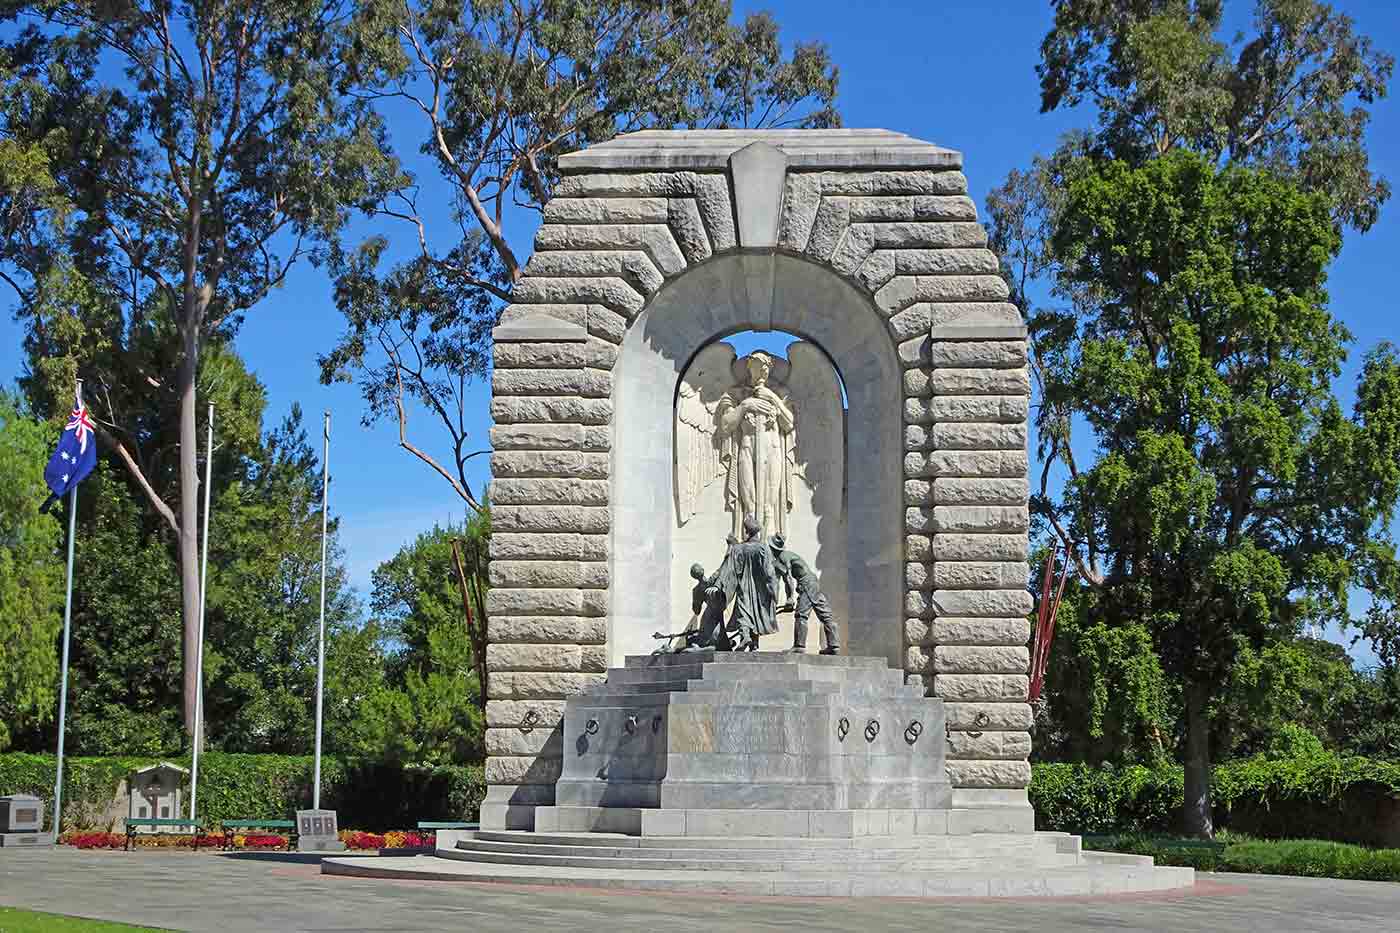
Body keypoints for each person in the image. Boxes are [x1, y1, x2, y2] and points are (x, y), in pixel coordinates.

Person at [769, 533, 839, 655]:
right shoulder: (785, 556)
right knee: (824, 613)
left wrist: (791, 598)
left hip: (806, 583)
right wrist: (789, 597)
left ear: (773, 549)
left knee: (801, 614)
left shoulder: (783, 557)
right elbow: (786, 582)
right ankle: (834, 645)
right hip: (813, 582)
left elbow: (789, 578)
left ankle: (799, 646)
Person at [722, 515, 780, 651]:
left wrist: (732, 545)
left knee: (744, 611)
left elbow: (732, 568)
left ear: (746, 531)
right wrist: (773, 590)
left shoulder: (739, 549)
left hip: (743, 585)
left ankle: (747, 638)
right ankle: (752, 642)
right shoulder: (763, 548)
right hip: (760, 589)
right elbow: (769, 572)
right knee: (756, 614)